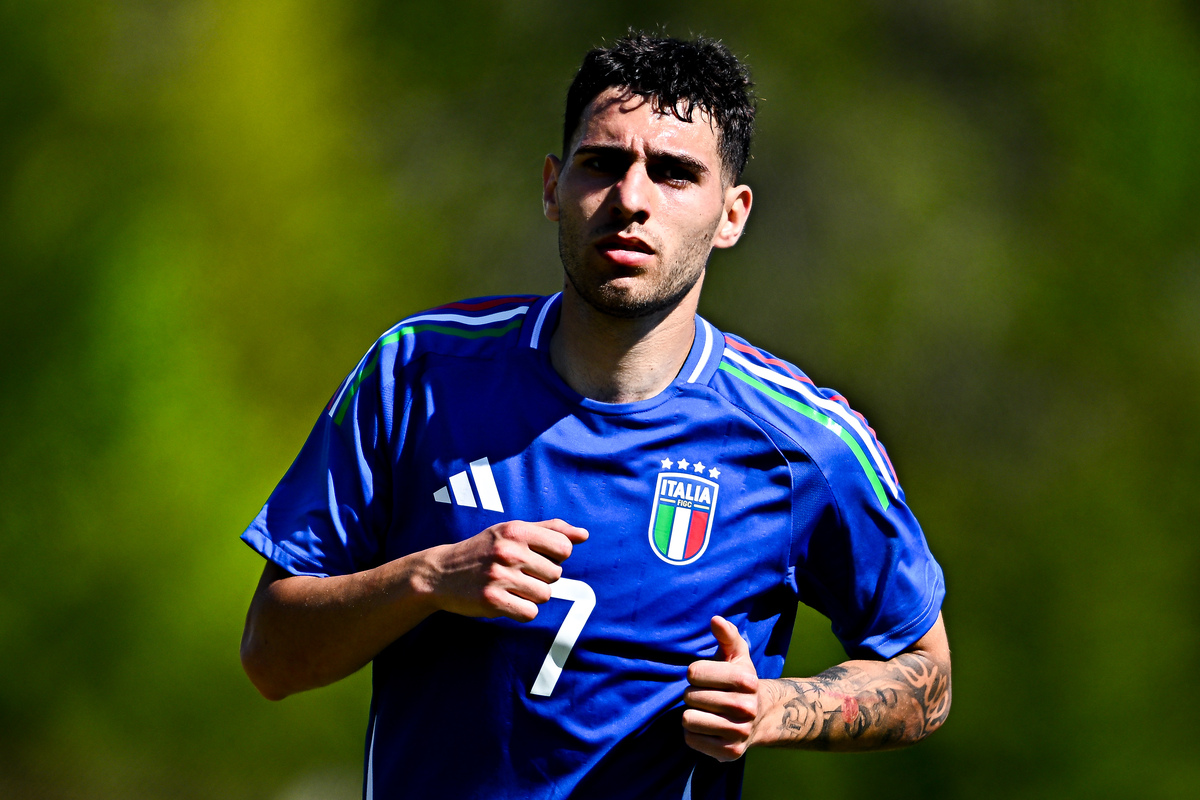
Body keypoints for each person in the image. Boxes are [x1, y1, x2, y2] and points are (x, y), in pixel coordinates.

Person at [239, 32, 950, 800]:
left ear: (731, 215)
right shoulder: (417, 372)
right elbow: (273, 658)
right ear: (552, 186)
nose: (632, 200)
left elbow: (927, 677)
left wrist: (776, 708)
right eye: (604, 164)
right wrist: (426, 578)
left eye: (676, 174)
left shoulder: (803, 441)